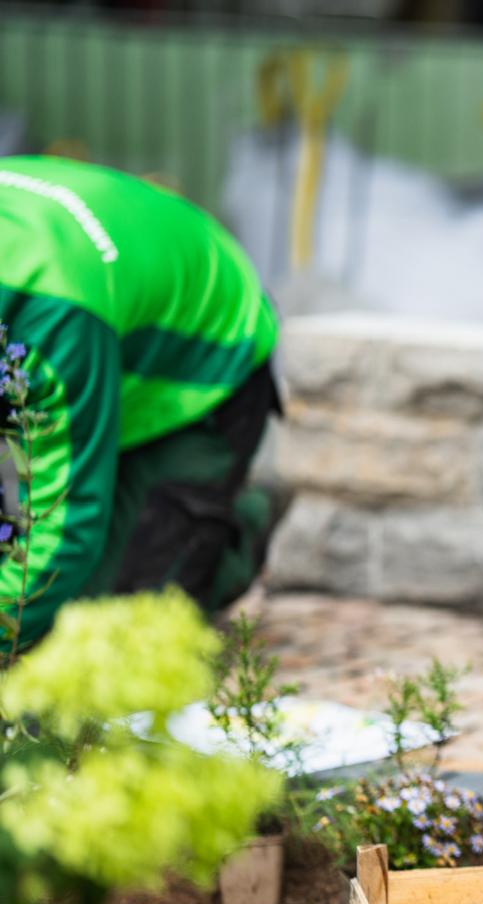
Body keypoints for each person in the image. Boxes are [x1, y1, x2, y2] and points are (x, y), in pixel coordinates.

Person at [0, 155, 281, 646]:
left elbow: (67, 521)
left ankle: (231, 528)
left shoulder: (52, 305)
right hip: (98, 339)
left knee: (111, 631)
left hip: (198, 363)